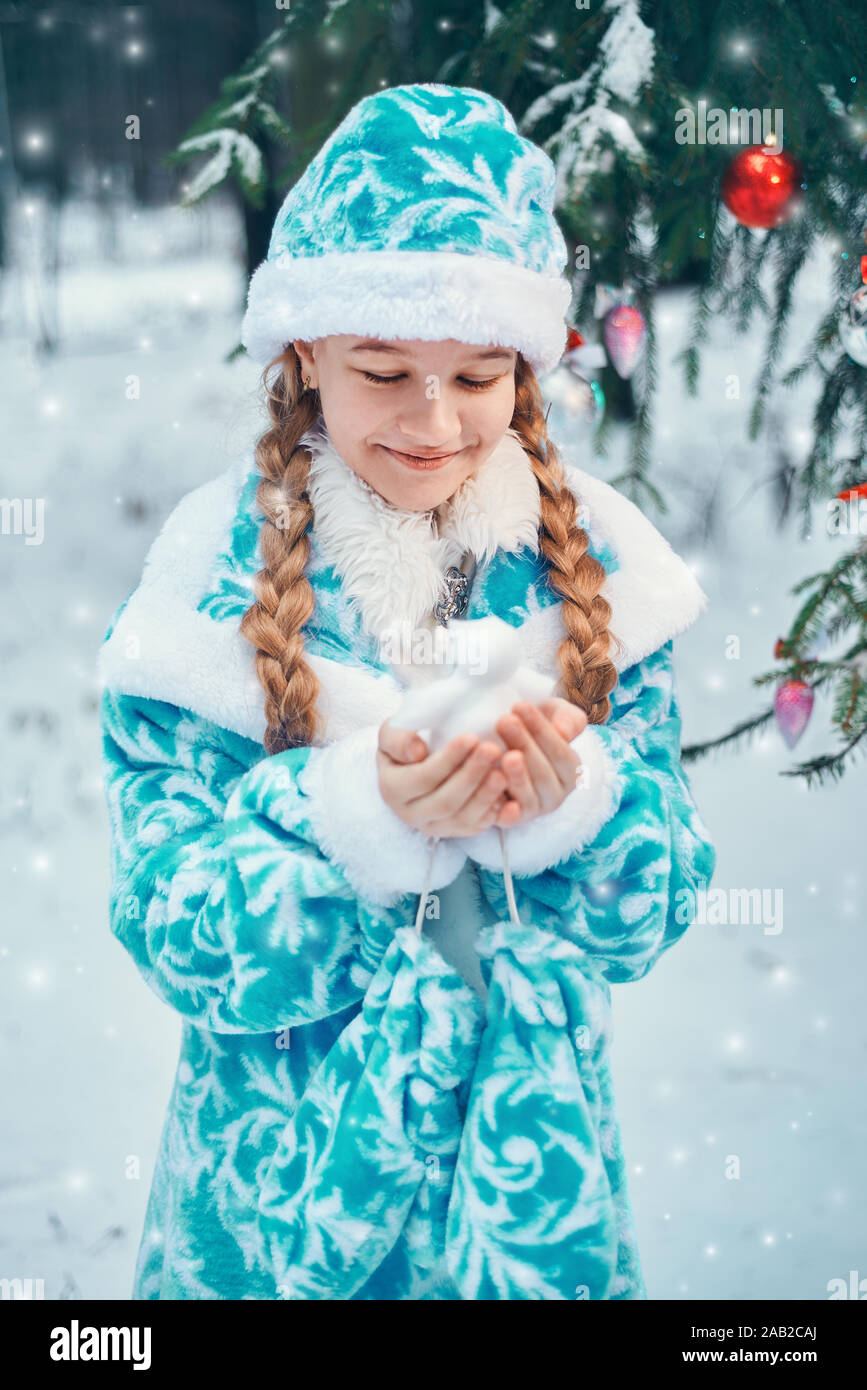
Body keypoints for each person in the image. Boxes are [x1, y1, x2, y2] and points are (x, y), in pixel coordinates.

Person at [98, 82, 717, 1301]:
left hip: (518, 1204)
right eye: (383, 371)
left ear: (525, 372)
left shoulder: (591, 572)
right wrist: (364, 820)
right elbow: (177, 930)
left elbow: (653, 906)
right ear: (306, 355)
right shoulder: (208, 589)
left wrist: (571, 805)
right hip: (276, 1193)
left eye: (479, 377)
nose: (434, 422)